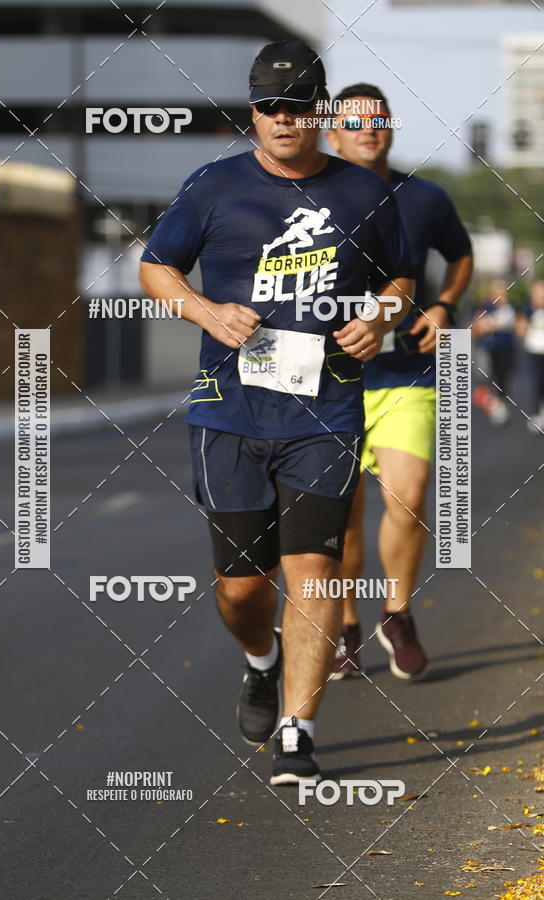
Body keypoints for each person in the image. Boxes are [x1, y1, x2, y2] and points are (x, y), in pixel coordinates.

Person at [139, 44, 414, 784]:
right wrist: (205, 311)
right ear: (253, 111)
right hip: (230, 414)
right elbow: (155, 267)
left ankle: (299, 730)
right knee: (241, 586)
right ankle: (262, 661)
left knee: (315, 571)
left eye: (296, 106)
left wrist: (380, 317)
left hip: (326, 412)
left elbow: (399, 277)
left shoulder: (363, 192)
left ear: (319, 110)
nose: (283, 119)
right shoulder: (214, 186)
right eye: (269, 106)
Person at [326, 83, 473, 680]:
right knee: (341, 514)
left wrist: (445, 306)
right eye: (354, 121)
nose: (368, 129)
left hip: (406, 372)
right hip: (328, 378)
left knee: (408, 497)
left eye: (378, 120)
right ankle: (345, 624)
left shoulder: (424, 197)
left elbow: (460, 254)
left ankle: (396, 613)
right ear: (332, 134)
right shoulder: (308, 198)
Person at [472, 279, 517, 426]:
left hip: (505, 350)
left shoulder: (511, 308)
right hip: (488, 350)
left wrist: (490, 324)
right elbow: (477, 328)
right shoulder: (485, 308)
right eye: (497, 291)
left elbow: (513, 325)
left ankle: (501, 406)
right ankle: (494, 406)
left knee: (503, 380)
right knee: (486, 380)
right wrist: (486, 325)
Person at [516, 280, 544, 435]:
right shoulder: (528, 310)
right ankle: (536, 414)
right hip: (534, 351)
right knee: (537, 382)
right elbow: (520, 330)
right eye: (539, 294)